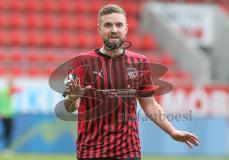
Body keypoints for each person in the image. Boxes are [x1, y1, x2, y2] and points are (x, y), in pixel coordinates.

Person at [63, 4, 199, 160]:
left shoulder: (139, 62)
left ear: (126, 28)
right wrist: (72, 97)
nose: (114, 29)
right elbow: (69, 107)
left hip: (128, 151)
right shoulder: (82, 62)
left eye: (118, 25)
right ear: (99, 29)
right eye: (108, 25)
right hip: (91, 152)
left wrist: (172, 131)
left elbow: (149, 104)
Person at [0, 76, 19, 151]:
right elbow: (19, 90)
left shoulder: (2, 91)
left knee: (6, 132)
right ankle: (7, 148)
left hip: (3, 114)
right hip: (8, 114)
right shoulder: (8, 90)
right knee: (9, 132)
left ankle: (7, 148)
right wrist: (11, 83)